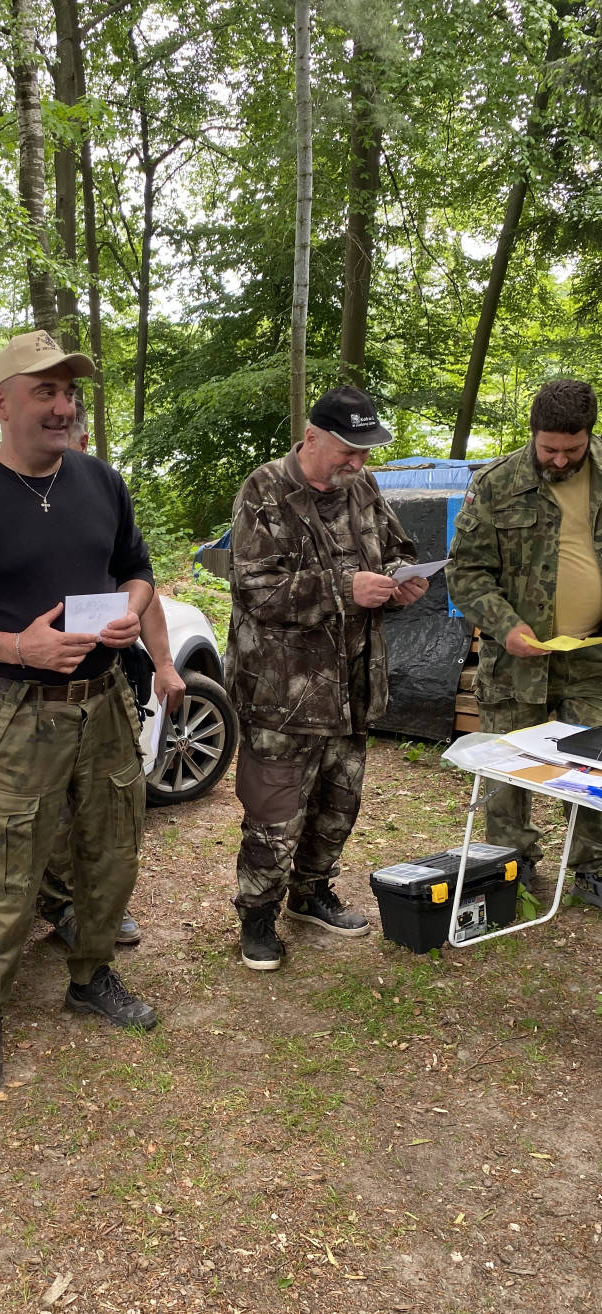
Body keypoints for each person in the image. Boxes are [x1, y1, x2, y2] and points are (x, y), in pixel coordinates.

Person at [0, 329, 158, 1094]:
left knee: (112, 854)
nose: (63, 407)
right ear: (1, 402)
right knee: (8, 874)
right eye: (44, 391)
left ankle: (91, 976)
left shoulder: (100, 481)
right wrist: (19, 646)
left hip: (104, 706)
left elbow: (136, 568)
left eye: (69, 392)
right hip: (19, 712)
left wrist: (130, 610)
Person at [226, 385, 426, 971]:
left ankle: (311, 893)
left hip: (351, 685)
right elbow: (255, 590)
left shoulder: (362, 486)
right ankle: (257, 916)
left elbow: (396, 546)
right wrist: (345, 588)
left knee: (339, 801)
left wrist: (402, 579)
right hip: (282, 692)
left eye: (366, 453)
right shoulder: (264, 490)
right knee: (274, 811)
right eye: (348, 451)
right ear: (312, 438)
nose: (358, 463)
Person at [38, 399, 187, 949]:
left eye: (79, 446)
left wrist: (165, 665)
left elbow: (139, 588)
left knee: (110, 806)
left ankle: (101, 906)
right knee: (54, 814)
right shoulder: (18, 506)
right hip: (35, 697)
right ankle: (65, 907)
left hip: (107, 685)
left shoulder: (101, 496)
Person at [447, 378, 602, 903]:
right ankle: (510, 865)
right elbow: (465, 571)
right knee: (508, 772)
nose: (559, 460)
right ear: (533, 432)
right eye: (549, 448)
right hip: (517, 661)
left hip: (593, 659)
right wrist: (505, 625)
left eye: (572, 450)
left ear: (589, 434)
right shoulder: (496, 483)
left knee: (594, 765)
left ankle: (593, 868)